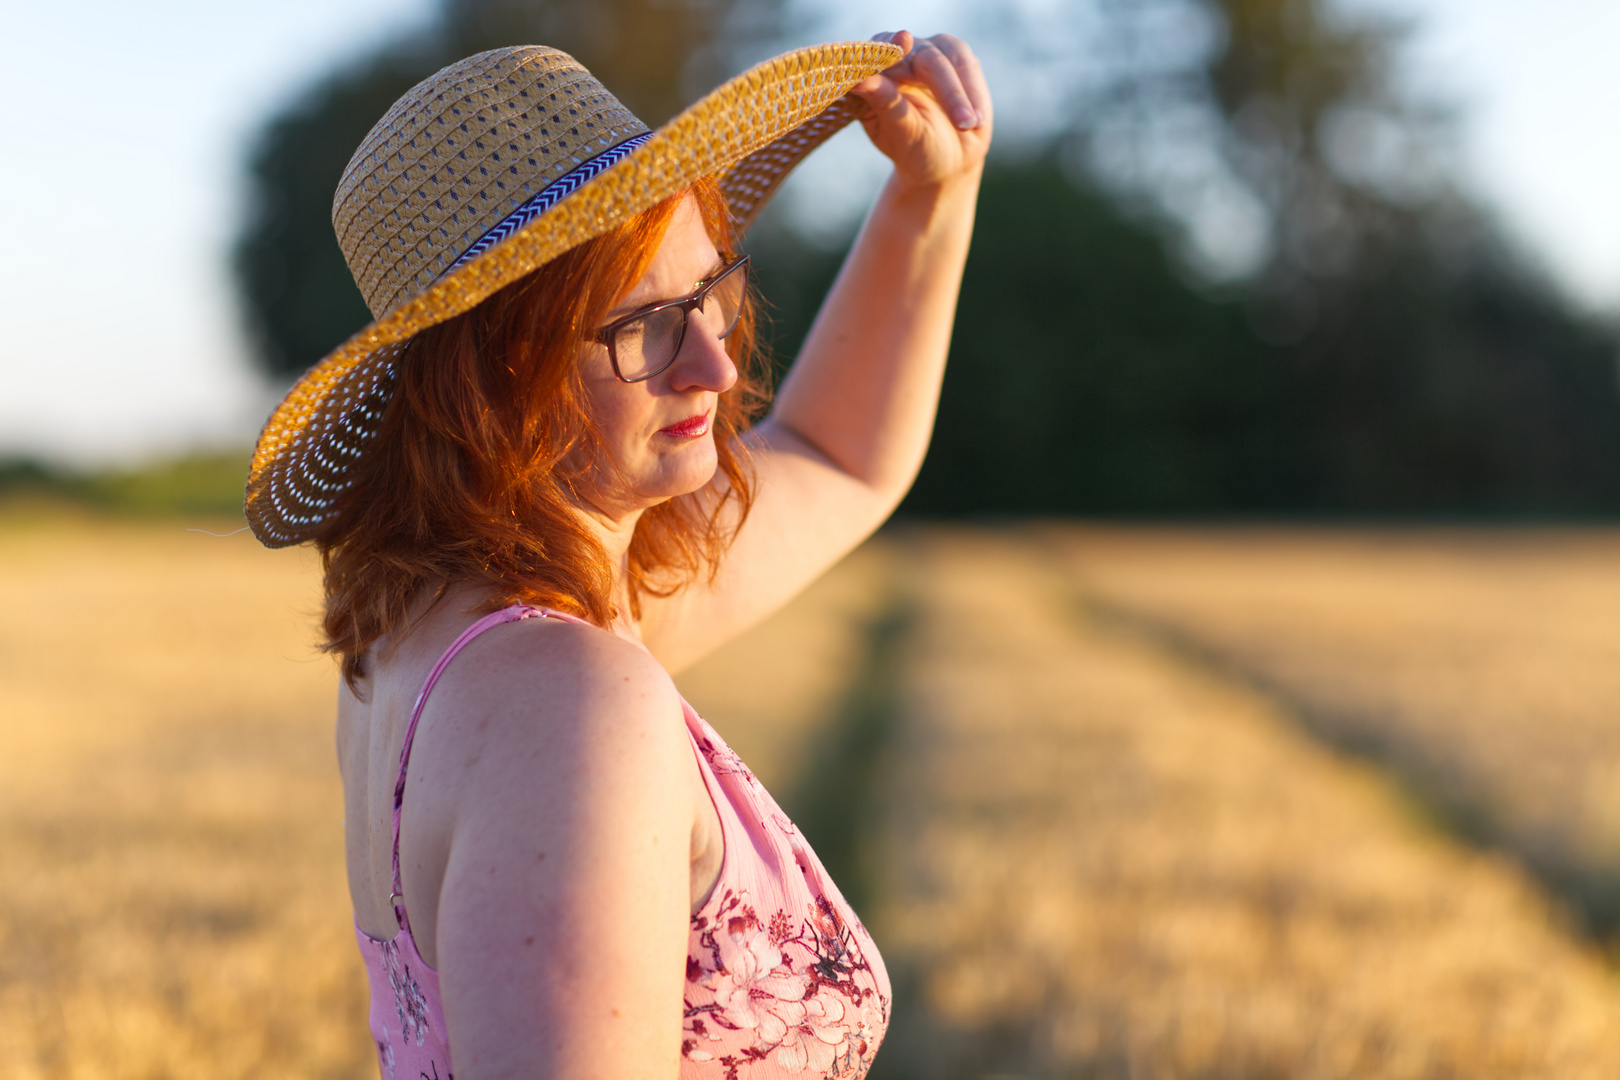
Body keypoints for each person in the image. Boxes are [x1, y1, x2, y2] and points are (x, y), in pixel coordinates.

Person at [244, 27, 990, 1080]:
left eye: (712, 294)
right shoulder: (564, 702)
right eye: (644, 327)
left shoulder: (440, 636)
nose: (718, 365)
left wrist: (932, 198)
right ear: (493, 374)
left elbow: (838, 457)